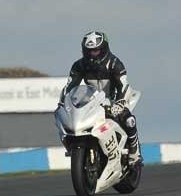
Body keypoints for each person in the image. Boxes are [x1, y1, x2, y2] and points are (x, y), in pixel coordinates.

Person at [59, 31, 141, 165]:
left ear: (104, 49)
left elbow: (123, 86)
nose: (93, 54)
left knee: (129, 119)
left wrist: (120, 103)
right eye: (89, 51)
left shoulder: (115, 63)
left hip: (114, 99)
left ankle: (134, 152)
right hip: (92, 101)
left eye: (96, 50)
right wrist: (63, 103)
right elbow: (69, 86)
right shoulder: (79, 65)